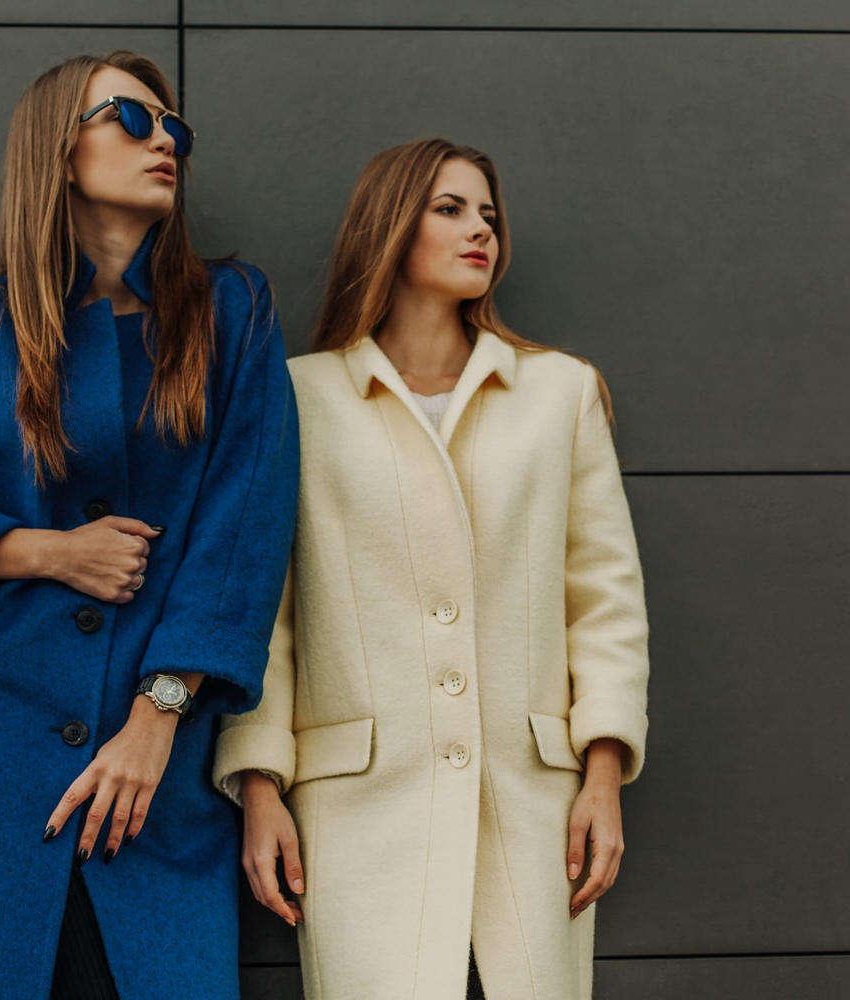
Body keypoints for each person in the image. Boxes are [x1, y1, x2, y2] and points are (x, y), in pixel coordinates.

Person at [0, 50, 297, 1000]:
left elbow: (242, 534)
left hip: (150, 759)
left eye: (174, 126)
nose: (164, 139)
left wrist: (158, 717)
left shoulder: (233, 312)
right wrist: (53, 552)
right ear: (59, 148)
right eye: (130, 118)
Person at [213, 138, 651, 999]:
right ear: (387, 225)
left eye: (488, 213)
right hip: (359, 815)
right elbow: (269, 615)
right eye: (449, 209)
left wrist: (604, 774)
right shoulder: (299, 398)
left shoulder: (560, 394)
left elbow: (604, 601)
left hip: (533, 809)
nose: (480, 229)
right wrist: (259, 784)